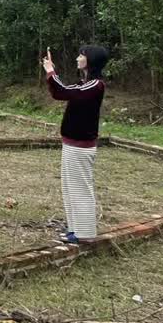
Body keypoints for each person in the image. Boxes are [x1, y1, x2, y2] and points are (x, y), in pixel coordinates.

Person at [42, 45, 108, 243]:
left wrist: (50, 71)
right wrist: (51, 73)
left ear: (91, 60)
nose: (78, 58)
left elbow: (63, 91)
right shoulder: (84, 83)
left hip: (81, 147)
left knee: (80, 189)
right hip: (72, 144)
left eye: (82, 55)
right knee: (70, 188)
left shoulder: (95, 85)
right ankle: (74, 230)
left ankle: (84, 233)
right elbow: (59, 92)